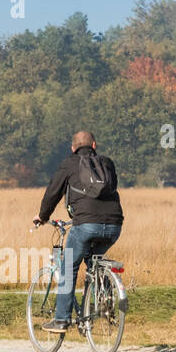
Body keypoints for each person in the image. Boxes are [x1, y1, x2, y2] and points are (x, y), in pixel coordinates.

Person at [31, 130, 123, 333]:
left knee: (69, 267)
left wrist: (42, 216)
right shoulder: (107, 162)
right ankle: (105, 298)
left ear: (73, 149)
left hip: (86, 224)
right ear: (94, 145)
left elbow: (53, 192)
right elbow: (112, 187)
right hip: (115, 224)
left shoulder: (69, 164)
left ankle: (61, 319)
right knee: (94, 259)